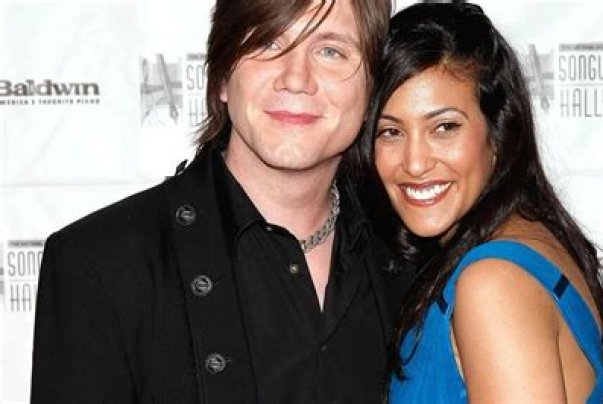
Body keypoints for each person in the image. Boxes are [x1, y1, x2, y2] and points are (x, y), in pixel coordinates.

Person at [30, 0, 414, 403]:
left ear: (371, 90)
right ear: (222, 78)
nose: (296, 78)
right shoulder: (101, 264)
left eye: (331, 51)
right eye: (268, 43)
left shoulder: (411, 260)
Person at [358, 3, 603, 403]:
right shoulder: (531, 241)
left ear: (498, 131)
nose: (414, 163)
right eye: (390, 132)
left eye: (444, 127)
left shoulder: (493, 282)